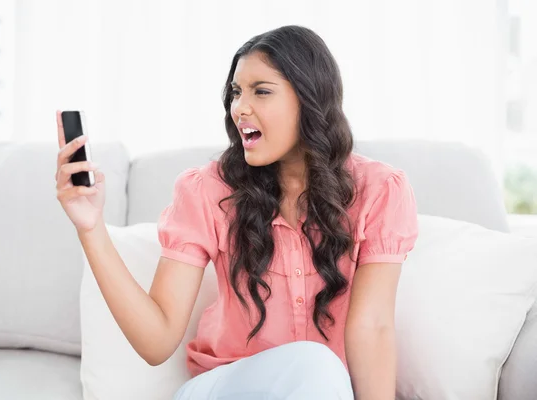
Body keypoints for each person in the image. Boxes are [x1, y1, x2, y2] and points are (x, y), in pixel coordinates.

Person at [55, 25, 419, 400]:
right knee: (318, 363)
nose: (240, 108)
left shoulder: (378, 190)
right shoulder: (207, 191)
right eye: (235, 92)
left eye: (261, 91)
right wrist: (91, 228)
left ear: (310, 100)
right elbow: (157, 339)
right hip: (224, 389)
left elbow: (372, 327)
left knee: (321, 368)